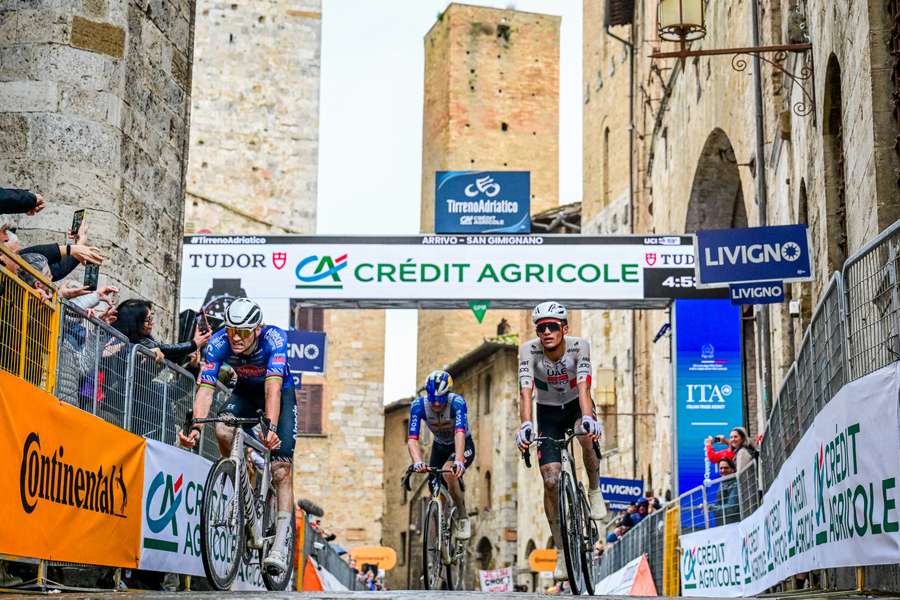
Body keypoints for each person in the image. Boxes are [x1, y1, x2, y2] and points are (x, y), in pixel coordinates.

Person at [178, 298, 297, 574]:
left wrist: (269, 428)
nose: (236, 338)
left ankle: (279, 544)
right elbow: (206, 390)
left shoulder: (275, 339)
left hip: (279, 391)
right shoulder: (220, 343)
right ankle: (241, 474)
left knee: (281, 469)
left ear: (257, 329)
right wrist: (196, 429)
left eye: (243, 332)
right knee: (221, 427)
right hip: (244, 391)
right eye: (232, 330)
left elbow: (272, 391)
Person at [516, 301, 605, 581]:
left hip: (577, 405)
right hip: (548, 413)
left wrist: (589, 417)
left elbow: (583, 385)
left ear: (564, 329)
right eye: (541, 328)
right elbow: (525, 390)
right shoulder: (528, 351)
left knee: (585, 436)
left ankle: (593, 488)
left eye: (553, 326)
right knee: (551, 479)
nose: (546, 332)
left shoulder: (580, 347)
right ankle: (563, 552)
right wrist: (526, 425)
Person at [407, 369, 474, 539]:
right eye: (433, 400)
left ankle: (462, 516)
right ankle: (440, 532)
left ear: (448, 395)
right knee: (433, 487)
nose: (436, 405)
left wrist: (459, 460)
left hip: (462, 445)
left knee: (449, 472)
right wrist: (417, 462)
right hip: (440, 446)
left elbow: (459, 432)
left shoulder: (457, 403)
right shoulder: (418, 406)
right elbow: (412, 439)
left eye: (441, 400)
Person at [113, 299, 211, 363]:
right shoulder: (117, 341)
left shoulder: (143, 340)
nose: (152, 323)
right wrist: (193, 344)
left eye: (152, 317)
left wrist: (193, 348)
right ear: (134, 322)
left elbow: (168, 354)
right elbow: (166, 350)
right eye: (148, 320)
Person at [713, 458, 740, 524]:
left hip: (732, 524)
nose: (723, 470)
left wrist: (711, 507)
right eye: (721, 468)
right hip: (723, 524)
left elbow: (731, 508)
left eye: (726, 468)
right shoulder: (723, 483)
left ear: (733, 470)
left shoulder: (734, 484)